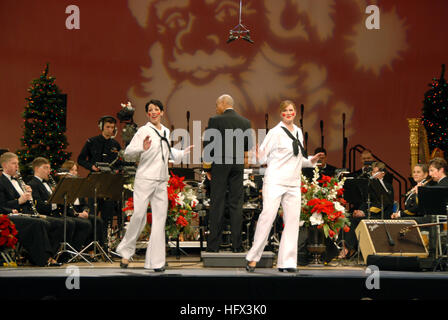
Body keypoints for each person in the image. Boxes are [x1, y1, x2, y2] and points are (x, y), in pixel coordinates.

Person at [245, 100, 324, 273]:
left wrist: (312, 160)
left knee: (292, 222)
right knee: (267, 217)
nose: (289, 113)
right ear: (281, 114)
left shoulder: (298, 131)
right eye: (285, 111)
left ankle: (287, 262)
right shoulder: (275, 133)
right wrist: (257, 156)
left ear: (295, 112)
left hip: (293, 183)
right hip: (275, 181)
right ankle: (252, 258)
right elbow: (262, 159)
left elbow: (298, 158)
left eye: (291, 110)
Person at [116, 99, 193, 271]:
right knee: (139, 216)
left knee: (159, 220)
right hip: (145, 179)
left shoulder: (165, 131)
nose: (153, 112)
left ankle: (156, 262)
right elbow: (128, 152)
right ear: (147, 114)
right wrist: (141, 148)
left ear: (162, 112)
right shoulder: (143, 130)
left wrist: (181, 153)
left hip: (161, 180)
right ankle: (126, 252)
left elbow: (165, 150)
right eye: (150, 110)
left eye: (156, 109)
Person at [203, 94, 253, 253]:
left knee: (217, 203)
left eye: (217, 105)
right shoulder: (245, 122)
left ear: (223, 104)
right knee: (236, 204)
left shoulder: (215, 120)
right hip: (237, 165)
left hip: (220, 164)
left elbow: (209, 145)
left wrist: (207, 168)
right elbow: (248, 146)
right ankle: (237, 246)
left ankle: (213, 246)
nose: (216, 108)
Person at [0, 152, 61, 266]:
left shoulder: (18, 180)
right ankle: (44, 259)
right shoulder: (1, 182)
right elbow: (2, 205)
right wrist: (19, 201)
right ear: (5, 165)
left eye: (17, 164)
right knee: (39, 224)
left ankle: (49, 255)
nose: (17, 167)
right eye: (14, 164)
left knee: (54, 223)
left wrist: (29, 195)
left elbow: (28, 202)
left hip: (25, 213)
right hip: (9, 217)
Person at [28, 157, 92, 253]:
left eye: (49, 168)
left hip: (56, 213)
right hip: (47, 214)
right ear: (37, 169)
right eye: (46, 168)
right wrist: (56, 200)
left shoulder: (49, 183)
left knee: (83, 223)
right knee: (71, 223)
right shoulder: (32, 184)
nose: (49, 171)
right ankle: (58, 253)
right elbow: (40, 206)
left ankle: (71, 252)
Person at [77, 115, 122, 247]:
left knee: (107, 216)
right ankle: (89, 245)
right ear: (102, 127)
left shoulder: (116, 144)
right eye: (107, 127)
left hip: (109, 183)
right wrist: (91, 167)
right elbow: (80, 159)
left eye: (112, 127)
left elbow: (120, 163)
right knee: (92, 213)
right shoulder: (91, 141)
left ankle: (104, 244)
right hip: (94, 181)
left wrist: (117, 170)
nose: (110, 130)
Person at [60, 160, 105, 251]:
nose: (74, 172)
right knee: (86, 223)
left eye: (76, 170)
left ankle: (92, 250)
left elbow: (84, 204)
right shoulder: (61, 186)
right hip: (69, 213)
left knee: (97, 220)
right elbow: (63, 206)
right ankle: (75, 250)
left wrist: (85, 211)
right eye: (71, 170)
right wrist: (76, 214)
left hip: (79, 212)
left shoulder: (77, 186)